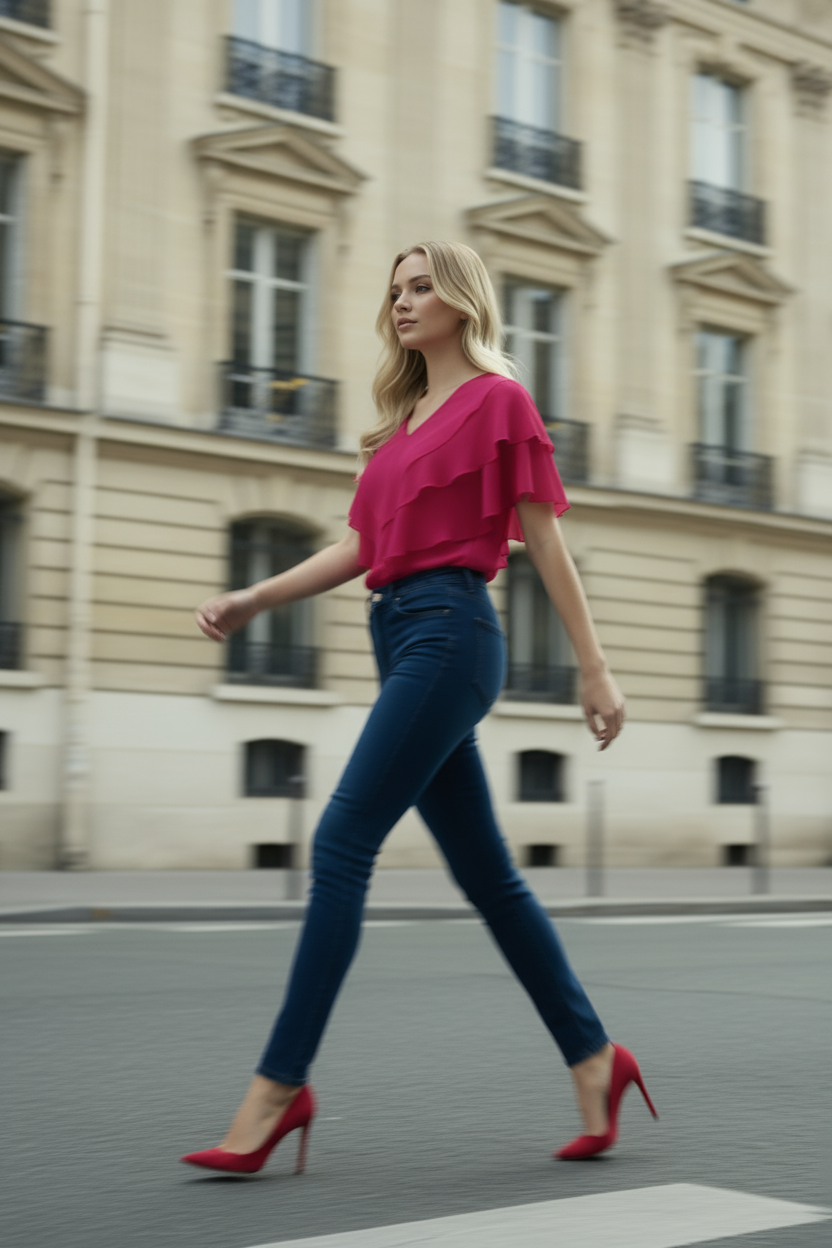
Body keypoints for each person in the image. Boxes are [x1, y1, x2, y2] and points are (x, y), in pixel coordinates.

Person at [183, 241, 657, 1175]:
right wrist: (253, 598)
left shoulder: (498, 402)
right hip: (399, 634)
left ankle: (278, 1089)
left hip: (451, 634)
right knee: (490, 879)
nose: (403, 302)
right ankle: (595, 1057)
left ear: (462, 297)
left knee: (340, 842)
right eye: (394, 289)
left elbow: (546, 544)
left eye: (421, 285)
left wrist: (595, 670)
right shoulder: (398, 425)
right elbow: (358, 551)